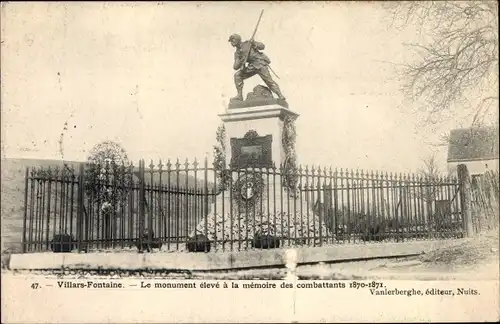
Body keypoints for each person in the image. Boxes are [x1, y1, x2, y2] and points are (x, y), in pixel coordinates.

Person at [228, 34, 285, 101]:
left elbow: (262, 46)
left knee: (269, 81)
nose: (231, 43)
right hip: (251, 67)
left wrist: (254, 43)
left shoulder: (248, 43)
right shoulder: (237, 53)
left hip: (260, 63)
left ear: (237, 39)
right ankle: (239, 96)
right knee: (237, 75)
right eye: (231, 41)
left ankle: (280, 95)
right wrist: (241, 59)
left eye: (232, 40)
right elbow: (235, 67)